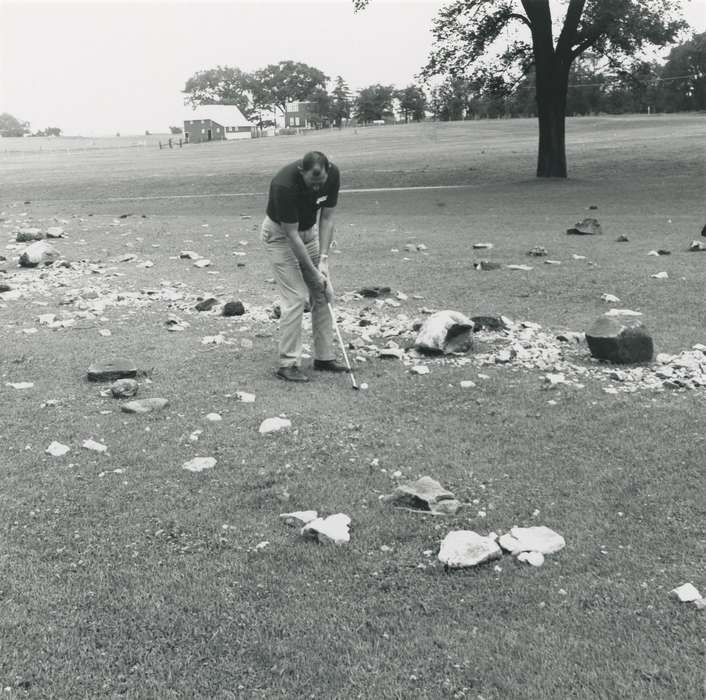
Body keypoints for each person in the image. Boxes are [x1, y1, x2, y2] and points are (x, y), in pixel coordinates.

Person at [261, 151, 348, 382]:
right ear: (302, 172)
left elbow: (327, 218)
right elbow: (291, 235)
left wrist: (324, 261)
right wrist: (312, 271)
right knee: (297, 296)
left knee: (325, 292)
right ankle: (287, 365)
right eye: (312, 182)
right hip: (280, 236)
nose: (317, 188)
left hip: (309, 235)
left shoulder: (333, 175)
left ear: (328, 171)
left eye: (321, 182)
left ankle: (324, 358)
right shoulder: (284, 184)